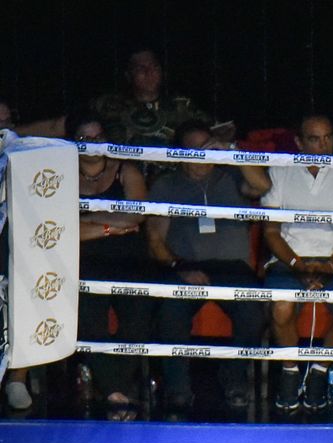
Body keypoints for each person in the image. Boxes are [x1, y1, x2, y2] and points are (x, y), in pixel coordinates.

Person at [239, 114, 333, 415]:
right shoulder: (281, 171)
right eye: (314, 139)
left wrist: (331, 267)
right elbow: (270, 232)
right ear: (299, 142)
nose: (323, 146)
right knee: (281, 306)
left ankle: (320, 370)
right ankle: (290, 370)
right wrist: (298, 264)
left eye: (328, 138)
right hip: (288, 259)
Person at [145, 120, 268, 418]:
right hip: (185, 266)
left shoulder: (231, 175)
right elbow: (155, 239)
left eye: (206, 148)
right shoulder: (165, 185)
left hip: (232, 267)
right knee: (171, 310)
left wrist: (229, 151)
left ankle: (234, 376)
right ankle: (178, 389)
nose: (202, 157)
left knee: (254, 311)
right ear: (179, 153)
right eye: (194, 150)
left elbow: (262, 186)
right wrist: (180, 267)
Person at [69, 112, 153, 420]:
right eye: (84, 138)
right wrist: (109, 226)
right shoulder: (60, 174)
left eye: (98, 137)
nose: (91, 144)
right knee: (89, 320)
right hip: (83, 260)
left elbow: (136, 217)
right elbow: (61, 227)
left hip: (128, 258)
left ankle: (113, 389)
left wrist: (87, 221)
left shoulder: (125, 171)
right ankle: (117, 393)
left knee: (138, 316)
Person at [89, 49, 216, 147]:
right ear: (128, 75)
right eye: (141, 68)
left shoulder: (182, 105)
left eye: (154, 66)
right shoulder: (108, 104)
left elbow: (220, 130)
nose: (149, 73)